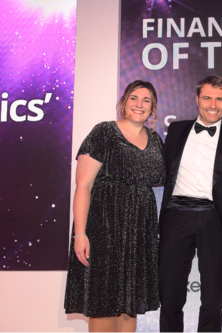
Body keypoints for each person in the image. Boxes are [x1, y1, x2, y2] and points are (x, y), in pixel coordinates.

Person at [64, 80, 166, 333]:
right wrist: (80, 233)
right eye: (134, 98)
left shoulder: (155, 140)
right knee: (103, 300)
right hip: (104, 225)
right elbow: (84, 187)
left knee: (130, 302)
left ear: (153, 107)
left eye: (146, 100)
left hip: (139, 229)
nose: (139, 104)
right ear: (123, 102)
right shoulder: (104, 132)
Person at [158, 75, 222, 333]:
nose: (213, 104)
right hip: (176, 216)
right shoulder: (176, 130)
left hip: (215, 220)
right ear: (197, 99)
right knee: (170, 294)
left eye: (219, 99)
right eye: (207, 97)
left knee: (213, 298)